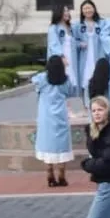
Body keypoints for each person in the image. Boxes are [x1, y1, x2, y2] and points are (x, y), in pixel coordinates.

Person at [33, 55, 73, 187]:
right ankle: (62, 176)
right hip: (61, 116)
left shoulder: (42, 78)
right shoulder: (66, 80)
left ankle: (50, 174)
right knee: (62, 146)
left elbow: (34, 82)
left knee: (47, 145)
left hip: (46, 117)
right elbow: (70, 92)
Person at [74, 0, 110, 96]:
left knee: (100, 81)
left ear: (94, 9)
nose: (87, 10)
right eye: (85, 8)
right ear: (82, 11)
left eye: (89, 8)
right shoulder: (77, 25)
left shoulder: (102, 23)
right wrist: (79, 44)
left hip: (99, 57)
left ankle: (100, 103)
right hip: (85, 59)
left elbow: (108, 37)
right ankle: (86, 103)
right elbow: (72, 41)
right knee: (85, 83)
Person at [46, 5, 78, 95]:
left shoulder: (70, 27)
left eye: (68, 11)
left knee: (70, 81)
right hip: (61, 58)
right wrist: (62, 57)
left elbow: (72, 42)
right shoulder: (54, 28)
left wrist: (80, 44)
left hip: (71, 57)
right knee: (61, 81)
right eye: (64, 11)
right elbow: (54, 44)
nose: (67, 13)